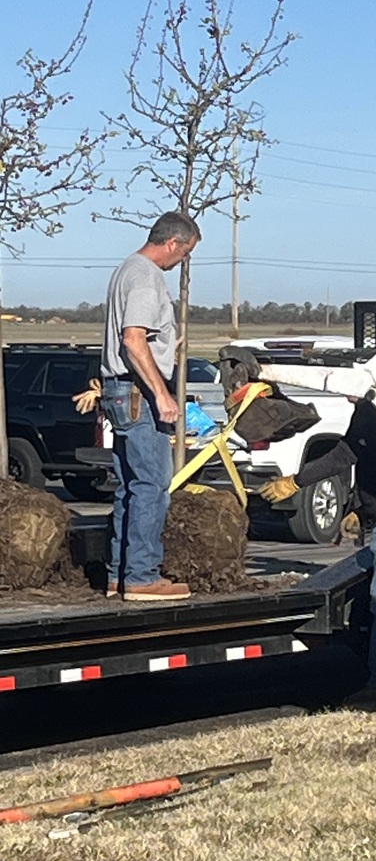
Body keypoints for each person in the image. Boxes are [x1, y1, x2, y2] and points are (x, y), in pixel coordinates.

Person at [258, 398, 376, 695]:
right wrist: (359, 509)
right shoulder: (371, 410)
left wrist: (296, 482)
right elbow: (369, 462)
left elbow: (344, 455)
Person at [101, 211, 201, 601]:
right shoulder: (146, 276)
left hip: (121, 391)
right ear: (173, 243)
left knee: (130, 485)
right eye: (186, 252)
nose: (183, 261)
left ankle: (119, 573)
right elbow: (133, 339)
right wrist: (162, 393)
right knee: (152, 485)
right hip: (139, 394)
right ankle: (142, 575)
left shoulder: (126, 269)